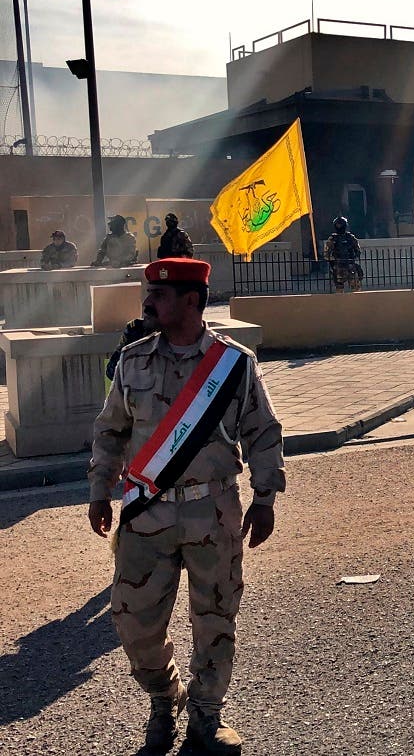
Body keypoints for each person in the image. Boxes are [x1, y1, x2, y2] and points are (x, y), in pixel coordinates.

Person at [87, 257, 285, 753]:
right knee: (133, 622)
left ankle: (206, 716)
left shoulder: (232, 364)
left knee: (215, 619)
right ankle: (164, 697)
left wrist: (265, 498)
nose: (148, 302)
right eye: (149, 294)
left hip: (213, 512)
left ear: (192, 301)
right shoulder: (133, 360)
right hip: (146, 514)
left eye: (160, 295)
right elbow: (111, 432)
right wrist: (98, 489)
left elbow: (263, 432)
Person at [324, 216, 363, 292]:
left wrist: (352, 259)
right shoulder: (332, 239)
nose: (340, 226)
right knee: (339, 290)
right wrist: (334, 262)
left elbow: (358, 251)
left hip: (350, 266)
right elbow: (326, 255)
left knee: (356, 289)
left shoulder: (350, 237)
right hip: (338, 267)